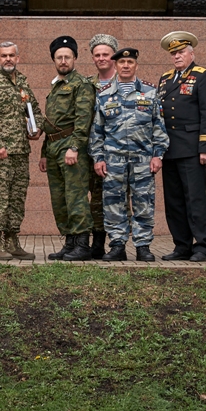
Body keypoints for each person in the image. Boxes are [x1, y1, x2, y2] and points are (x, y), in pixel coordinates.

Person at [89, 48, 169, 261]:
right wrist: (98, 158)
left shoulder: (150, 93)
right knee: (114, 203)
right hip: (113, 160)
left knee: (144, 202)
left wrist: (157, 155)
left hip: (143, 159)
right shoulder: (104, 94)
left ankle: (143, 246)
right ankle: (117, 245)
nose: (125, 65)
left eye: (130, 62)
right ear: (115, 65)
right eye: (122, 62)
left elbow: (159, 127)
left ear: (136, 65)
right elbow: (97, 131)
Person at [0, 41, 43, 261]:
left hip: (21, 151)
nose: (8, 59)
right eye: (4, 56)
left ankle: (12, 242)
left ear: (18, 58)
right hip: (0, 153)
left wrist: (37, 128)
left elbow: (35, 111)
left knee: (16, 198)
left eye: (12, 55)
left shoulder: (22, 83)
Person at [157, 31, 206, 262]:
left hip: (192, 148)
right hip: (169, 149)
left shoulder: (203, 76)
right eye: (173, 53)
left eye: (181, 52)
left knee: (195, 200)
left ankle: (201, 246)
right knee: (174, 202)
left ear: (192, 53)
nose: (177, 56)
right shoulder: (165, 79)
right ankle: (181, 245)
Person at [38, 36, 96, 261]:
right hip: (53, 147)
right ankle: (69, 242)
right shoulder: (55, 87)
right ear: (54, 59)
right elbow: (51, 123)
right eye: (59, 57)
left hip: (71, 147)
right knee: (59, 198)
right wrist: (44, 152)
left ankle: (82, 244)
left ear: (75, 58)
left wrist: (74, 147)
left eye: (67, 57)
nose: (63, 61)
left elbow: (83, 119)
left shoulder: (81, 84)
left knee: (76, 196)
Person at [86, 33, 119, 258]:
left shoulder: (127, 82)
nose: (101, 58)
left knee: (117, 200)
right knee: (95, 199)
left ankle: (118, 244)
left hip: (118, 152)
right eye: (97, 55)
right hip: (91, 150)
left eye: (105, 54)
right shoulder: (86, 84)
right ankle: (97, 243)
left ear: (114, 57)